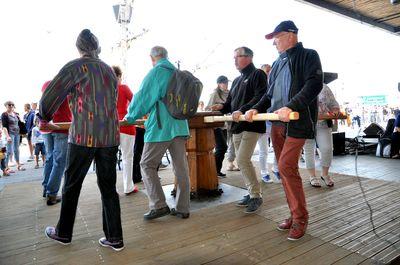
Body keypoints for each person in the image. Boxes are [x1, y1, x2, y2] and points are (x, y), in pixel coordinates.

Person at [40, 29, 124, 251]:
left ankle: (63, 233)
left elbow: (52, 94)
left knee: (71, 184)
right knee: (108, 188)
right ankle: (115, 238)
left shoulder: (75, 67)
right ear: (97, 47)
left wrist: (44, 116)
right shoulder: (108, 69)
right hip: (109, 136)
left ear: (79, 47)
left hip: (83, 135)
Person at [245, 20, 323, 240]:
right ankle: (293, 213)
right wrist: (254, 108)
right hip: (277, 124)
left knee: (285, 166)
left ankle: (300, 218)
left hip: (297, 121)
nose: (274, 43)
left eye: (277, 38)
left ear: (291, 35)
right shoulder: (277, 63)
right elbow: (268, 95)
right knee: (286, 171)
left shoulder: (309, 55)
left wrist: (291, 106)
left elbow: (314, 84)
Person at [125, 46, 190, 220]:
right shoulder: (178, 73)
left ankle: (159, 205)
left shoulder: (156, 73)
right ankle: (183, 207)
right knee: (181, 168)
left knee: (146, 164)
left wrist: (130, 117)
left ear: (152, 58)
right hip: (181, 126)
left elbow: (143, 98)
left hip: (162, 128)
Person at [211, 47, 267, 214]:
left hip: (251, 124)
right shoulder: (236, 80)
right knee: (242, 162)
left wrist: (242, 110)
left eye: (238, 57)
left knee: (242, 160)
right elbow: (229, 104)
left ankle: (256, 195)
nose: (234, 60)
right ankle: (252, 193)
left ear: (249, 57)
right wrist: (221, 107)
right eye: (233, 57)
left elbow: (261, 96)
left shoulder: (258, 74)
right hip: (236, 127)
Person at [41, 80, 72, 206]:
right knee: (59, 161)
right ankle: (52, 193)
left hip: (47, 126)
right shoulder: (66, 85)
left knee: (50, 158)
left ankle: (46, 189)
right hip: (61, 126)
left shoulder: (46, 84)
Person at [304, 83, 340, 188]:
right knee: (309, 149)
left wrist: (335, 110)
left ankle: (325, 174)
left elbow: (333, 103)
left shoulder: (324, 87)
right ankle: (312, 176)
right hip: (306, 123)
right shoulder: (300, 84)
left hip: (323, 122)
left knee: (327, 149)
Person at [112, 65, 138, 195]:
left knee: (110, 159)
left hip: (111, 127)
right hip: (126, 125)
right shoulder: (123, 88)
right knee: (128, 157)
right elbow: (135, 103)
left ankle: (112, 190)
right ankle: (128, 187)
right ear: (119, 76)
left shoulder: (106, 90)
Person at [258, 63, 280, 183]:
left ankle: (276, 168)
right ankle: (264, 172)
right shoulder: (260, 87)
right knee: (264, 150)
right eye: (267, 71)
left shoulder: (276, 85)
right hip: (262, 122)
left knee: (278, 147)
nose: (269, 73)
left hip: (274, 121)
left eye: (270, 71)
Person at [206, 75, 230, 177]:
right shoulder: (215, 94)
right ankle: (213, 171)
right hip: (216, 125)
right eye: (223, 82)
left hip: (225, 124)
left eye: (226, 82)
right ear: (219, 84)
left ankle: (216, 171)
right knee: (222, 147)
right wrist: (216, 108)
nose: (225, 84)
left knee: (222, 149)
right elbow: (208, 109)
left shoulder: (229, 93)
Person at [1, 101, 25, 172]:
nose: (11, 106)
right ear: (6, 106)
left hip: (17, 133)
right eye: (9, 105)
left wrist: (22, 132)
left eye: (12, 105)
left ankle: (18, 165)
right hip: (10, 134)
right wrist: (7, 136)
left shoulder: (15, 114)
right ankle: (6, 167)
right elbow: (4, 127)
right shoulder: (4, 114)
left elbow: (19, 123)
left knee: (16, 149)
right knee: (9, 151)